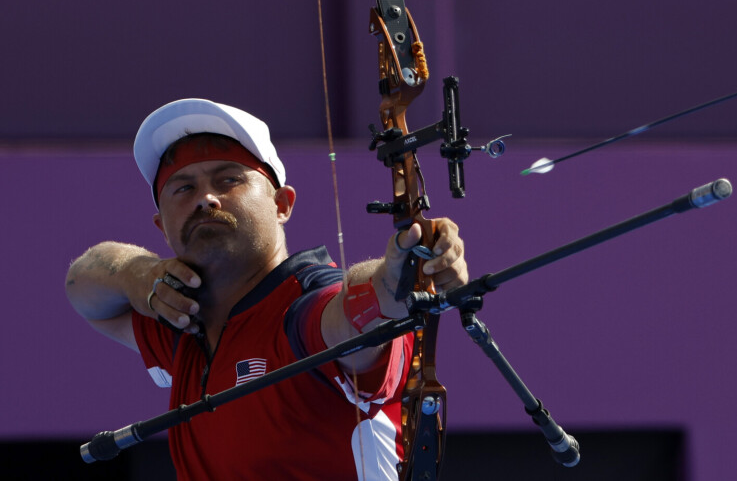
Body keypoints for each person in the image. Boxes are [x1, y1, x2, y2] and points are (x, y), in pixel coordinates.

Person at [65, 98, 468, 480]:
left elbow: (352, 317)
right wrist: (138, 272)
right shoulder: (178, 315)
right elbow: (82, 286)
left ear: (282, 204)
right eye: (183, 188)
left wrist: (396, 278)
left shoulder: (304, 305)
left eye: (228, 180)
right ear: (161, 227)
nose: (206, 198)